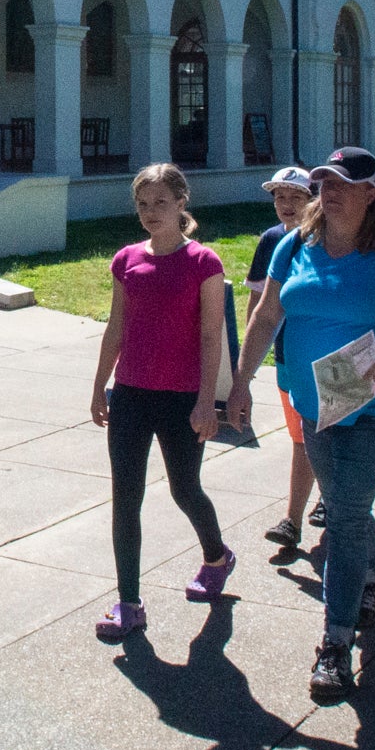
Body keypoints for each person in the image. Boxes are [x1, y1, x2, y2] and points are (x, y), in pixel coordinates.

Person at [227, 145, 375, 703]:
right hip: (315, 405)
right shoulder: (294, 246)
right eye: (324, 181)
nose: (329, 192)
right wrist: (241, 381)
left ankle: (336, 643)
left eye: (343, 183)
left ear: (371, 193)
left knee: (343, 516)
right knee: (351, 507)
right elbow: (267, 316)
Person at [89, 164, 233, 640]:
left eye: (161, 203)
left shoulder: (204, 262)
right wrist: (99, 385)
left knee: (184, 490)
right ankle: (129, 603)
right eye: (143, 204)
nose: (151, 212)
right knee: (125, 498)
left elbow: (211, 337)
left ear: (181, 203)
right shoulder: (126, 260)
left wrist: (206, 402)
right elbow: (116, 328)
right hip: (131, 394)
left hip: (181, 398)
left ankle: (217, 556)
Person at [248, 167, 325, 557]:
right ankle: (294, 522)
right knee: (301, 438)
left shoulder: (331, 239)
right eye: (280, 197)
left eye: (296, 196)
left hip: (330, 359)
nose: (287, 204)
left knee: (330, 437)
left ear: (314, 200)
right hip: (288, 359)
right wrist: (245, 363)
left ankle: (318, 505)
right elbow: (259, 303)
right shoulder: (272, 241)